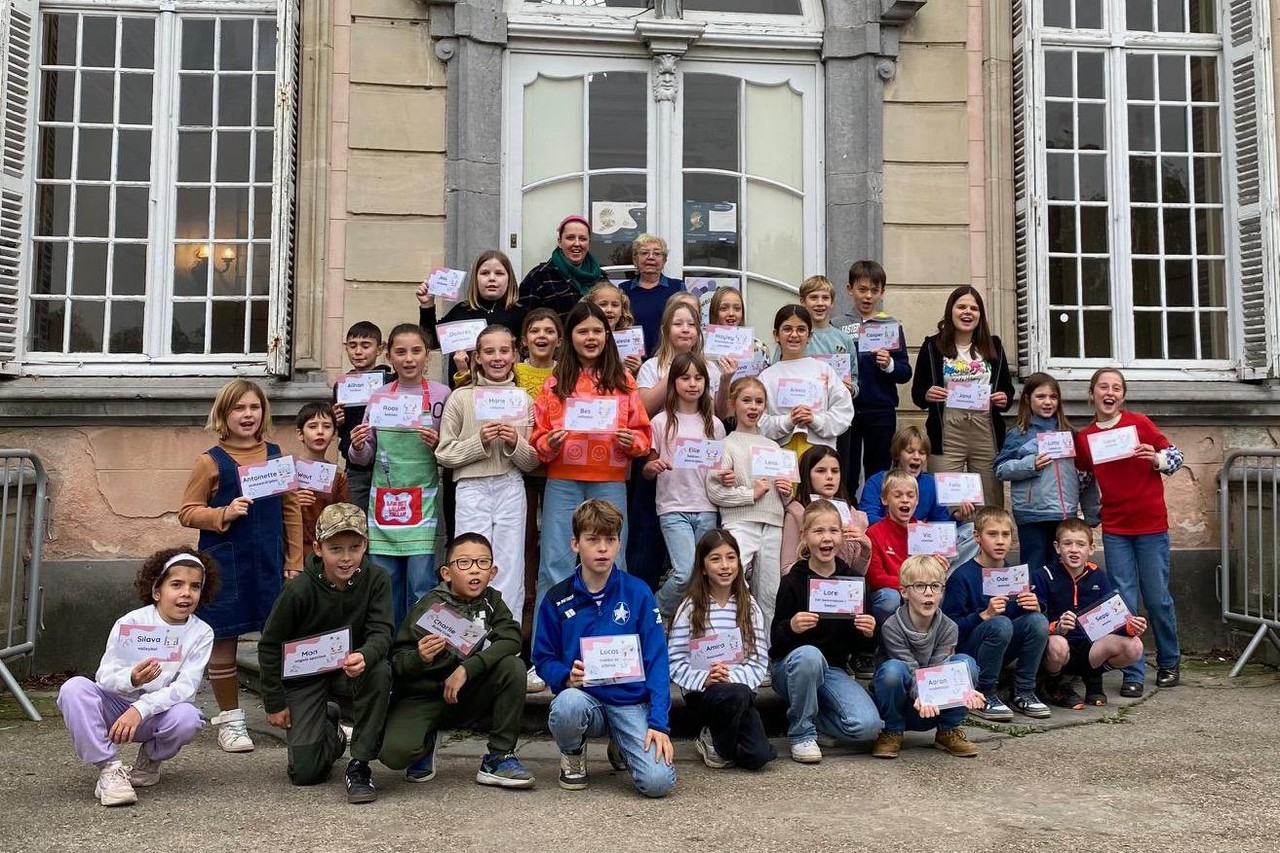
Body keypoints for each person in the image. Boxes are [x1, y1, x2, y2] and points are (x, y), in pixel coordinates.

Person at [179, 379, 303, 753]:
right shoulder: (209, 461)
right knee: (225, 641)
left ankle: (289, 712)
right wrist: (223, 513)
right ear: (224, 415)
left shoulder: (278, 456)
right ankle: (231, 721)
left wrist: (294, 560)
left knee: (282, 640)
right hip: (226, 565)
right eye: (239, 409)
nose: (247, 415)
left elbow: (291, 510)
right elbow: (187, 512)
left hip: (271, 564)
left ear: (263, 412)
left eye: (254, 408)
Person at [533, 500, 676, 798]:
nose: (602, 549)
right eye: (593, 540)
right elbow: (542, 657)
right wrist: (565, 676)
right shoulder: (557, 598)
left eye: (610, 540)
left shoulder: (638, 592)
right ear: (575, 543)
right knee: (567, 704)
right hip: (586, 699)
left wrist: (658, 723)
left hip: (630, 703)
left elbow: (658, 659)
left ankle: (624, 743)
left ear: (618, 543)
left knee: (658, 783)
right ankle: (573, 753)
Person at [57, 549, 216, 807]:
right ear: (157, 591)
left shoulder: (201, 633)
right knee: (74, 689)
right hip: (116, 709)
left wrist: (140, 710)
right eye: (176, 584)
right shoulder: (131, 623)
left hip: (153, 714)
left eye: (195, 586)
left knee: (188, 717)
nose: (187, 593)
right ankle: (109, 768)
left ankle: (149, 762)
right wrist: (131, 678)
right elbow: (105, 675)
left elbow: (186, 688)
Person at [257, 503, 393, 803]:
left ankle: (360, 763)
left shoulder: (377, 578)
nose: (346, 558)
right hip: (305, 675)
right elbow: (269, 645)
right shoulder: (298, 590)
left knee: (381, 670)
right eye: (336, 548)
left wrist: (367, 655)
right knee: (305, 774)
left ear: (365, 546)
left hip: (350, 670)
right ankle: (331, 727)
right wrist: (274, 701)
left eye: (355, 547)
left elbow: (382, 631)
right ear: (318, 548)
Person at [380, 532, 536, 788]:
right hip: (424, 696)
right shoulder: (430, 605)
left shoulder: (492, 601)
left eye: (482, 563)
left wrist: (468, 667)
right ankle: (425, 740)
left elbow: (511, 639)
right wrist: (420, 657)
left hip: (466, 693)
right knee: (394, 755)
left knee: (512, 666)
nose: (474, 571)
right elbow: (397, 662)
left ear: (492, 571)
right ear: (447, 573)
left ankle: (499, 757)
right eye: (464, 563)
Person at [530, 301, 652, 610]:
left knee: (611, 559)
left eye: (598, 331)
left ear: (607, 335)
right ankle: (549, 646)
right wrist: (550, 444)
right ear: (569, 337)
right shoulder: (555, 382)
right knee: (555, 561)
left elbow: (643, 435)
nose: (590, 337)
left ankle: (612, 635)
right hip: (562, 480)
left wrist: (631, 441)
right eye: (582, 331)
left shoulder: (624, 381)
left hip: (609, 482)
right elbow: (538, 439)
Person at [1075, 367, 1183, 697]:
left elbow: (1176, 456)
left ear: (1123, 395)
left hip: (1150, 525)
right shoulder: (1085, 437)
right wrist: (1087, 517)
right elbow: (1084, 481)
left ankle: (1169, 661)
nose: (1110, 393)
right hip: (1116, 528)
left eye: (1117, 388)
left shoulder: (1140, 423)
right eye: (1103, 387)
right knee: (1123, 600)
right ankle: (1132, 670)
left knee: (1157, 597)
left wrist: (1157, 458)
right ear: (1092, 393)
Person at [436, 325, 541, 627]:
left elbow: (533, 461)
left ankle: (506, 640)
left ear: (515, 355)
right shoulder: (461, 398)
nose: (497, 358)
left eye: (504, 351)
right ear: (477, 357)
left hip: (510, 484)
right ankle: (469, 640)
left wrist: (514, 443)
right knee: (470, 561)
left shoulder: (523, 399)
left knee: (509, 564)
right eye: (489, 352)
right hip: (471, 486)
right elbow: (444, 454)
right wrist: (479, 442)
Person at [769, 500, 882, 763]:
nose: (826, 538)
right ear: (805, 537)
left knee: (867, 727)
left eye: (833, 531)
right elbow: (775, 641)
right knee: (809, 655)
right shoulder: (793, 580)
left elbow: (860, 648)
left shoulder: (852, 580)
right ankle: (801, 733)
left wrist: (868, 632)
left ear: (842, 536)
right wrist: (791, 627)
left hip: (832, 669)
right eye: (818, 531)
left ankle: (815, 718)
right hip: (792, 666)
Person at [347, 324, 440, 627]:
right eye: (400, 352)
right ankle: (386, 649)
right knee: (386, 584)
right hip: (384, 504)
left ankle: (416, 650)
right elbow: (364, 455)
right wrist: (358, 444)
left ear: (427, 355)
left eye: (416, 351)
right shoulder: (379, 397)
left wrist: (439, 444)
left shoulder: (441, 395)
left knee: (421, 584)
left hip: (423, 505)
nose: (409, 358)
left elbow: (452, 451)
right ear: (390, 354)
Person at [667, 529, 776, 771]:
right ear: (704, 567)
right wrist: (706, 678)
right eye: (715, 559)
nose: (725, 566)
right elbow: (674, 661)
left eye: (731, 557)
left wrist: (731, 677)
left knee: (758, 756)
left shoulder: (750, 607)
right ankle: (711, 735)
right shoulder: (691, 607)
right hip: (704, 693)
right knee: (730, 698)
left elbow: (758, 660)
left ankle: (720, 739)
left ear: (739, 562)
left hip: (740, 690)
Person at [870, 555, 984, 759]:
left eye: (935, 586)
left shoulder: (949, 627)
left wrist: (964, 688)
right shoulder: (892, 627)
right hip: (905, 703)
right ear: (904, 592)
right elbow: (909, 667)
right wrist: (924, 694)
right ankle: (892, 731)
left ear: (942, 591)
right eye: (920, 586)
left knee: (966, 665)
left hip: (933, 705)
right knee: (892, 670)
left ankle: (947, 730)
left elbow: (940, 667)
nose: (929, 593)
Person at [911, 285, 1015, 509]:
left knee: (989, 501)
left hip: (985, 427)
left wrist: (1003, 398)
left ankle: (986, 543)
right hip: (948, 429)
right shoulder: (932, 346)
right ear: (951, 311)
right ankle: (950, 544)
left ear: (980, 315)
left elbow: (1007, 390)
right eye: (961, 307)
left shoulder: (993, 345)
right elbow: (917, 394)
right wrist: (928, 394)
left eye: (974, 308)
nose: (967, 312)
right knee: (947, 501)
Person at [942, 506, 1051, 721]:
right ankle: (985, 693)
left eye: (1005, 535)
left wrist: (1035, 606)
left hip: (1002, 646)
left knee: (1038, 621)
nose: (1000, 541)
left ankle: (1024, 691)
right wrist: (983, 615)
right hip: (969, 651)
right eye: (992, 534)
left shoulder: (1015, 574)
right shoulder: (962, 576)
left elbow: (1024, 621)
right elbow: (948, 630)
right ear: (977, 537)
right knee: (1000, 623)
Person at [706, 376, 791, 638]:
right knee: (730, 578)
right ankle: (727, 640)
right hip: (740, 522)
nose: (753, 407)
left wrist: (787, 493)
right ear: (733, 404)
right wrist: (749, 494)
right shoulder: (727, 444)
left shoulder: (774, 447)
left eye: (759, 401)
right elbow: (715, 489)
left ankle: (762, 651)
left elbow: (783, 495)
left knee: (769, 590)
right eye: (746, 401)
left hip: (773, 524)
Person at [643, 352, 726, 616]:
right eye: (685, 377)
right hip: (673, 507)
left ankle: (690, 622)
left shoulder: (715, 425)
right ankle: (654, 613)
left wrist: (726, 475)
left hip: (707, 507)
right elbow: (647, 469)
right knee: (684, 572)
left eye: (698, 378)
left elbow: (721, 468)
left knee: (704, 573)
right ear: (673, 382)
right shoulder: (659, 422)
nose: (692, 384)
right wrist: (652, 467)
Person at [1034, 518, 1148, 709]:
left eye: (1081, 544)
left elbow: (1113, 617)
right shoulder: (1043, 576)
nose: (1074, 550)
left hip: (1090, 647)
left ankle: (1094, 674)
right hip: (1058, 647)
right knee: (1058, 645)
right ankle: (1056, 683)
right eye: (1067, 543)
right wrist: (1057, 627)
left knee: (1134, 646)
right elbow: (1032, 620)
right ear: (1057, 547)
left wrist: (1131, 626)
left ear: (1091, 549)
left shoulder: (1098, 576)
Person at [514, 307, 563, 671]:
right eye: (535, 330)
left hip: (560, 471)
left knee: (557, 551)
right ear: (524, 339)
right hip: (522, 470)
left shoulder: (566, 374)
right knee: (527, 552)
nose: (542, 336)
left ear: (560, 340)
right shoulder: (513, 372)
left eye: (549, 330)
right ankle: (527, 638)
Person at [994, 372, 1080, 575]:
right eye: (1041, 397)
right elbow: (1000, 469)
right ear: (1027, 399)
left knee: (1062, 570)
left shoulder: (1070, 433)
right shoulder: (1018, 434)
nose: (1048, 402)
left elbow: (1083, 474)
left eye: (1053, 397)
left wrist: (1090, 511)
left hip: (1064, 512)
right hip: (1033, 514)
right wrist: (1030, 464)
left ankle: (1060, 607)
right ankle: (1034, 607)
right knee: (1034, 569)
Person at [839, 259, 912, 495]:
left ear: (882, 292)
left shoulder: (890, 326)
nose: (868, 296)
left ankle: (874, 520)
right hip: (846, 409)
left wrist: (889, 364)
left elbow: (905, 372)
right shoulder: (837, 326)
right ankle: (847, 514)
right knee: (845, 470)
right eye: (862, 289)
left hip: (881, 409)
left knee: (878, 471)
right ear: (850, 289)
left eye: (874, 290)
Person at [861, 425, 978, 567]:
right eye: (910, 451)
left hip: (923, 545)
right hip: (888, 542)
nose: (916, 457)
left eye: (922, 453)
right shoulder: (877, 481)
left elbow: (940, 524)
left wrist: (958, 517)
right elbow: (868, 518)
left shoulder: (931, 483)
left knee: (972, 531)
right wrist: (909, 528)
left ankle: (942, 578)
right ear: (898, 454)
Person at [418, 250, 527, 389]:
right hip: (464, 391)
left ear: (509, 278)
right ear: (475, 278)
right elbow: (431, 341)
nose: (492, 278)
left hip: (508, 392)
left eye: (499, 273)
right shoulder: (461, 311)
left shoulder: (521, 314)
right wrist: (427, 306)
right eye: (485, 273)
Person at [759, 304, 854, 459]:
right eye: (787, 329)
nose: (794, 335)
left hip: (820, 457)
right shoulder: (766, 377)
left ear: (810, 336)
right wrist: (788, 420)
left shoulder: (824, 371)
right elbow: (759, 421)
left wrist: (814, 419)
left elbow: (843, 412)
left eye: (801, 329)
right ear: (776, 335)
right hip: (780, 456)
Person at [779, 445, 872, 580]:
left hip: (844, 592)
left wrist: (866, 550)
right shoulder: (797, 512)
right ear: (807, 474)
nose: (829, 477)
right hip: (807, 590)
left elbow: (857, 574)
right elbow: (786, 568)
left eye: (835, 471)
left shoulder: (854, 515)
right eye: (821, 471)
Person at [332, 321, 393, 513]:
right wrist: (337, 421)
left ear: (380, 349)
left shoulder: (390, 381)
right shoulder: (342, 385)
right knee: (357, 517)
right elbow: (341, 432)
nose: (358, 352)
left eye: (365, 346)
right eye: (352, 346)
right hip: (357, 466)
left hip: (388, 461)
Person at [865, 469, 929, 625]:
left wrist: (939, 565)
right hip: (893, 590)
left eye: (910, 495)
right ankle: (885, 640)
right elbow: (875, 578)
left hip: (920, 590)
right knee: (889, 598)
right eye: (898, 495)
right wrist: (909, 587)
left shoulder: (926, 532)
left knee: (939, 591)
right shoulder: (873, 533)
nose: (905, 500)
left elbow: (932, 573)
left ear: (917, 500)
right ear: (884, 499)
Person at [519, 215, 605, 322]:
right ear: (559, 242)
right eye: (570, 238)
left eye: (583, 239)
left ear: (589, 243)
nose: (577, 243)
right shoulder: (539, 277)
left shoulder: (601, 277)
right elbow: (525, 321)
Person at [295, 402, 351, 543]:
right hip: (293, 547)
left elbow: (344, 517)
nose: (320, 432)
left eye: (326, 426)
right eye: (313, 426)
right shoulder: (286, 471)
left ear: (334, 434)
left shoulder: (338, 476)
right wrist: (290, 502)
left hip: (325, 548)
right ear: (300, 434)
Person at [620, 233, 684, 353]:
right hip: (632, 360)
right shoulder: (623, 290)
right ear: (635, 260)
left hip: (670, 358)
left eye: (657, 253)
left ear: (664, 260)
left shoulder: (678, 288)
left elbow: (689, 323)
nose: (651, 257)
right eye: (644, 253)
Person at [587, 280, 642, 374]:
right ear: (591, 307)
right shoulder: (585, 338)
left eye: (615, 305)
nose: (609, 310)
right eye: (603, 304)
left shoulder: (631, 339)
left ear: (622, 310)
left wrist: (637, 368)